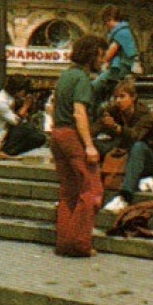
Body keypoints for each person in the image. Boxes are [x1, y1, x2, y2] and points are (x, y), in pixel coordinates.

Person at [49, 34, 106, 257]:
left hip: (57, 135)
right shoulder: (82, 78)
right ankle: (80, 244)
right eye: (100, 56)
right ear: (91, 55)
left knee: (68, 192)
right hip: (73, 136)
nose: (102, 61)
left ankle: (64, 242)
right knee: (92, 190)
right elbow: (79, 112)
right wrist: (89, 146)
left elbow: (53, 108)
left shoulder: (65, 76)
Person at [98, 79, 153, 213]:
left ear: (133, 97)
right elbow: (96, 126)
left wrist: (116, 127)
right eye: (116, 97)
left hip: (147, 158)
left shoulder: (146, 115)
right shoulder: (114, 111)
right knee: (94, 145)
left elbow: (135, 136)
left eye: (122, 97)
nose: (118, 101)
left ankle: (124, 196)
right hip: (124, 153)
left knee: (138, 147)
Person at [91, 4, 138, 106]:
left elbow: (109, 55)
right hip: (122, 68)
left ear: (110, 19)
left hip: (118, 70)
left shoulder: (120, 33)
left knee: (93, 87)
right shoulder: (125, 31)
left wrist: (100, 59)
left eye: (105, 22)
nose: (106, 26)